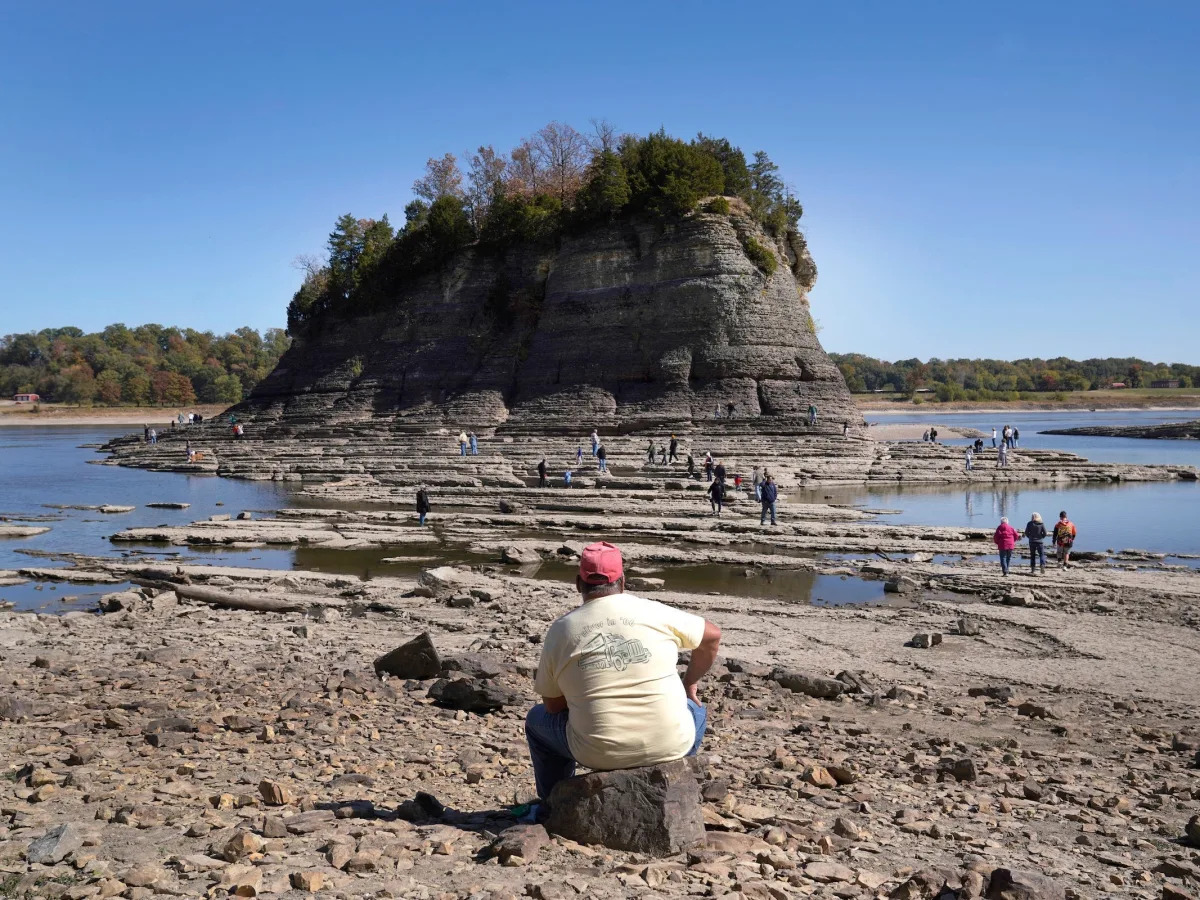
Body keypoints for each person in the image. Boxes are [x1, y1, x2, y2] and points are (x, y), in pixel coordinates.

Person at [524, 542, 721, 806]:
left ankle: (555, 802)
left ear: (578, 584)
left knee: (536, 720)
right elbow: (712, 636)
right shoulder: (653, 611)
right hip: (671, 742)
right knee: (696, 709)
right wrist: (690, 682)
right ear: (623, 581)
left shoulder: (562, 630)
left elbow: (552, 706)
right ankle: (675, 782)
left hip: (597, 753)